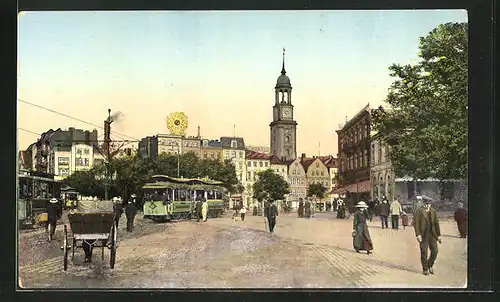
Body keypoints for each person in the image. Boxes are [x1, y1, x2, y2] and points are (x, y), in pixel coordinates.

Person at [413, 198, 441, 275]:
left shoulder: (433, 211)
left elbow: (436, 224)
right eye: (425, 204)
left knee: (435, 251)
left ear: (430, 204)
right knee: (424, 252)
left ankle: (430, 265)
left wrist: (439, 235)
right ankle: (425, 269)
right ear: (423, 203)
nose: (426, 206)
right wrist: (418, 235)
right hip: (423, 235)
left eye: (428, 204)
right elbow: (416, 223)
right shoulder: (419, 211)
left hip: (432, 234)